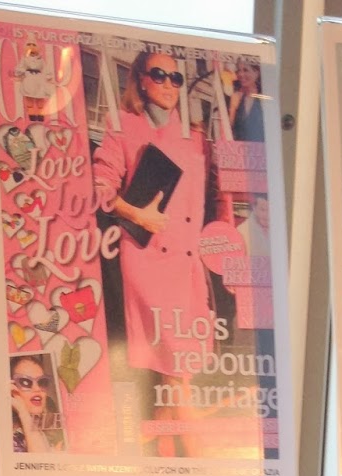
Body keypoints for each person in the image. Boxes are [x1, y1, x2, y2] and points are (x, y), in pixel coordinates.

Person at [93, 49, 217, 454]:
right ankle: (201, 463)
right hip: (148, 263)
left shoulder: (195, 135)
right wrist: (138, 214)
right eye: (159, 75)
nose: (168, 84)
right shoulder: (122, 126)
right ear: (141, 81)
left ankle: (163, 466)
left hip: (188, 265)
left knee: (173, 376)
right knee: (178, 371)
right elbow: (100, 188)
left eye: (175, 78)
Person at [9, 354, 58, 453]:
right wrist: (22, 410)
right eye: (25, 382)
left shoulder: (41, 432)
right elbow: (40, 461)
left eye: (42, 382)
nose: (37, 389)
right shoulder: (9, 438)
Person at [228, 58, 266, 143]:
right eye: (239, 70)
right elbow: (230, 129)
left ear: (256, 73)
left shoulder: (264, 99)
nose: (241, 74)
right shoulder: (236, 98)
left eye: (245, 70)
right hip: (239, 148)